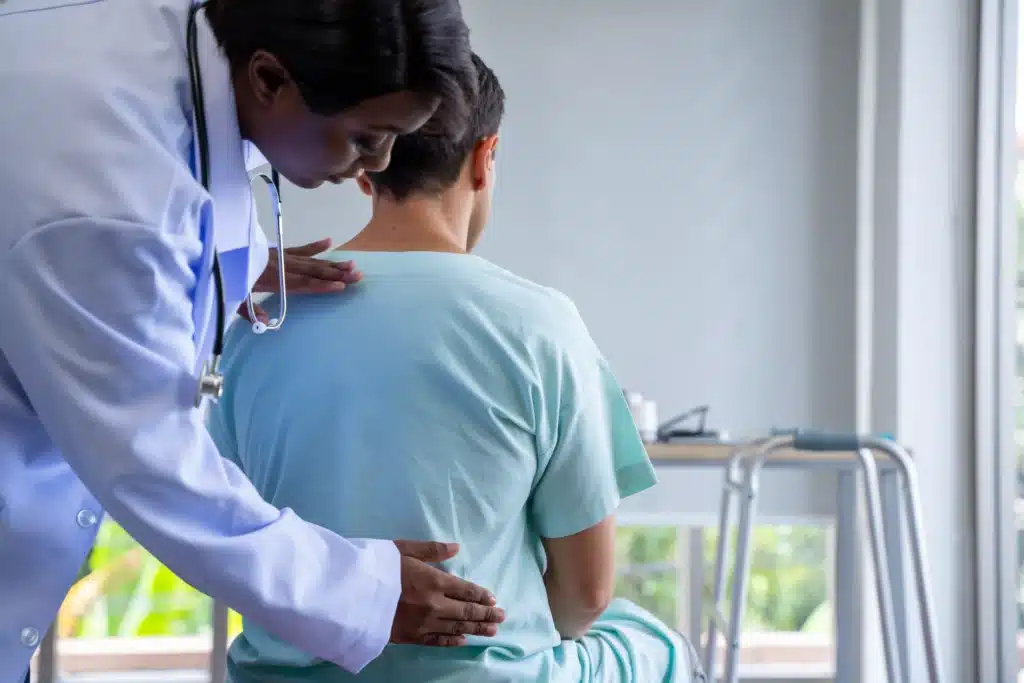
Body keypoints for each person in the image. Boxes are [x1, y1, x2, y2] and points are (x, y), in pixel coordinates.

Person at [0, 2, 507, 682]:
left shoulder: (181, 39)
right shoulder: (110, 202)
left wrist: (213, 260)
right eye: (365, 137)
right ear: (269, 80)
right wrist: (365, 593)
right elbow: (154, 465)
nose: (376, 165)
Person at [206, 53, 708, 683]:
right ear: (485, 158)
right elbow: (586, 598)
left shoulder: (263, 316)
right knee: (652, 642)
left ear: (368, 169)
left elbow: (224, 534)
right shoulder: (541, 325)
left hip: (277, 676)